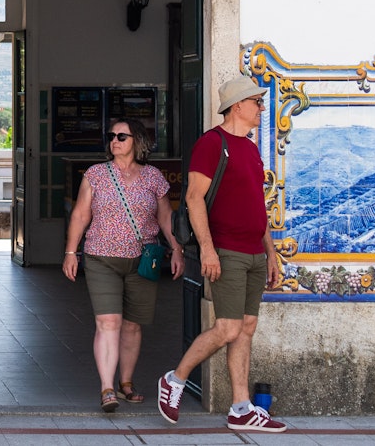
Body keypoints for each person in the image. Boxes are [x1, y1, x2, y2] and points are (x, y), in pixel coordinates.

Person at [156, 77, 288, 433]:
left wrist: (270, 253)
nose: (262, 108)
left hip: (254, 253)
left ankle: (241, 408)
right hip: (227, 250)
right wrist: (209, 251)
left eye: (261, 103)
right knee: (228, 327)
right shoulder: (212, 144)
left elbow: (256, 206)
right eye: (257, 103)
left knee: (246, 327)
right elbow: (194, 198)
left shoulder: (249, 148)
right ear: (237, 106)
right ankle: (176, 379)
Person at [62, 118, 183, 412]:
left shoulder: (153, 177)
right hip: (101, 257)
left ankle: (126, 383)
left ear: (137, 142)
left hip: (143, 259)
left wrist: (177, 248)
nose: (114, 140)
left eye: (122, 136)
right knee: (108, 322)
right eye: (112, 136)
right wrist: (70, 252)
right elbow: (80, 215)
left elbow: (166, 216)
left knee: (132, 326)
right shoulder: (96, 175)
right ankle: (107, 388)